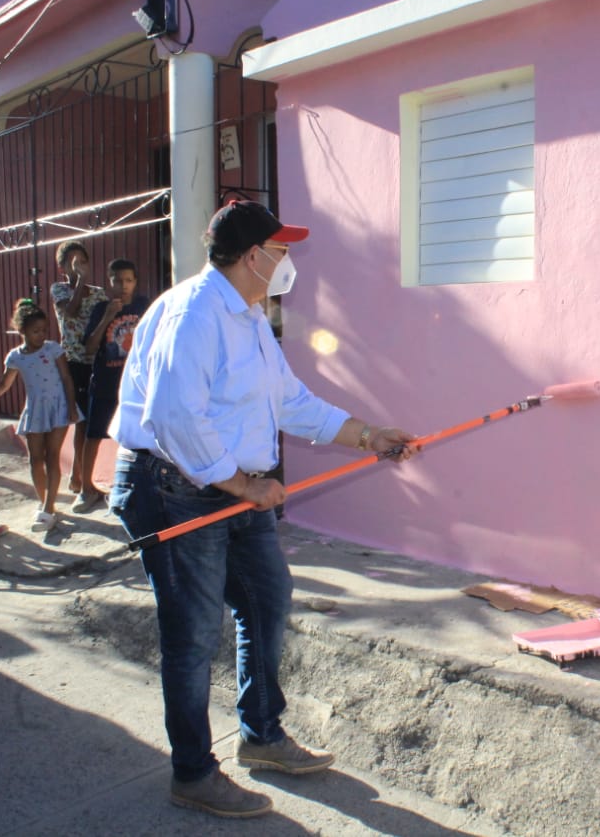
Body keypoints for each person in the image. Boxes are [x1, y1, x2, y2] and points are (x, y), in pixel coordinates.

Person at [108, 200, 417, 819]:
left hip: (228, 486)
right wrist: (247, 486)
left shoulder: (248, 316)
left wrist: (368, 435)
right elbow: (174, 418)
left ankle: (262, 736)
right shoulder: (195, 314)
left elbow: (290, 401)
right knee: (193, 635)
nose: (288, 261)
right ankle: (192, 772)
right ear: (253, 257)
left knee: (265, 601)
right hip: (173, 488)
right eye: (281, 251)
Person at [0, 299, 80, 533]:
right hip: (35, 409)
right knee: (35, 459)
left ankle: (48, 507)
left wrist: (72, 406)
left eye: (44, 330)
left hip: (58, 407)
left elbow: (66, 378)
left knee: (52, 456)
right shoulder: (16, 357)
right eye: (35, 331)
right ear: (21, 331)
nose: (41, 335)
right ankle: (44, 501)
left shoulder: (53, 349)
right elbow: (3, 386)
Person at [71, 258, 148, 513]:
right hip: (105, 383)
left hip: (135, 385)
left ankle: (134, 489)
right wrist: (107, 317)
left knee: (137, 438)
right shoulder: (100, 308)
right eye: (118, 280)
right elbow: (90, 348)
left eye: (128, 280)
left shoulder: (144, 306)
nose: (123, 286)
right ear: (109, 281)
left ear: (135, 282)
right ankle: (86, 489)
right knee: (93, 436)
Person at [49, 241, 109, 497]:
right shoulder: (59, 290)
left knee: (90, 424)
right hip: (73, 364)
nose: (78, 267)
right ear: (63, 267)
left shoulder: (99, 294)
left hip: (96, 362)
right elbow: (70, 313)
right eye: (72, 263)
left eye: (82, 262)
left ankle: (79, 477)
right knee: (76, 422)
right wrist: (80, 282)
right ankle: (73, 477)